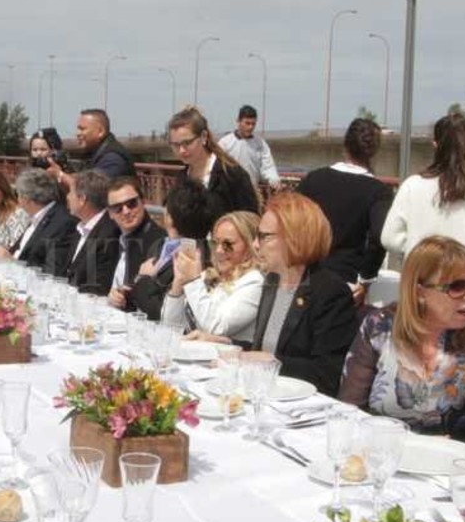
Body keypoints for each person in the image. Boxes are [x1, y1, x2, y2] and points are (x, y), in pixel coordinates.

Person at [340, 236, 465, 463]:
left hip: (456, 470)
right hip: (384, 459)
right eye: (457, 287)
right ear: (419, 291)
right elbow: (350, 411)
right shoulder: (380, 326)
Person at [245, 192, 357, 395]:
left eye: (264, 236)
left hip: (302, 407)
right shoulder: (273, 281)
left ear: (294, 238)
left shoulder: (329, 292)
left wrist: (274, 363)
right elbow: (264, 351)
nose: (255, 244)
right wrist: (227, 345)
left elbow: (327, 373)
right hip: (266, 394)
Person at [381, 112, 465, 263]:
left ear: (435, 145)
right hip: (460, 278)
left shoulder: (412, 185)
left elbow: (389, 238)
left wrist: (416, 248)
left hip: (420, 277)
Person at [297, 117, 393, 289]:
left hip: (306, 274)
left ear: (345, 144)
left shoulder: (313, 179)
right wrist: (366, 279)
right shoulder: (378, 191)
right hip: (346, 279)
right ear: (374, 150)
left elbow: (288, 218)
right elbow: (379, 238)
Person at [162, 211, 264, 345]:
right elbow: (171, 327)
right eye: (215, 243)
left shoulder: (254, 281)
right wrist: (178, 284)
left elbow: (216, 327)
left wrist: (193, 281)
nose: (219, 251)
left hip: (232, 363)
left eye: (228, 244)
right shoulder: (211, 276)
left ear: (250, 245)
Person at [133, 179, 216, 321]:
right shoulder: (159, 244)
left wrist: (142, 279)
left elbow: (161, 309)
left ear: (169, 217)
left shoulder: (193, 259)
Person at [167, 107, 259, 218]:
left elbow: (250, 219)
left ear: (203, 137)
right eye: (175, 145)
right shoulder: (181, 178)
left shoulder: (231, 175)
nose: (181, 150)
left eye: (187, 143)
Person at [105, 177, 166, 312]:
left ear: (143, 202)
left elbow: (155, 304)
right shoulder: (111, 238)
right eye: (118, 208)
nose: (126, 211)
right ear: (110, 214)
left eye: (131, 203)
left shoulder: (159, 242)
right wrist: (112, 296)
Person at [7, 168, 78, 276]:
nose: (17, 200)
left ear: (26, 198)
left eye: (18, 195)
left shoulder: (62, 223)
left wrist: (12, 262)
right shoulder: (38, 216)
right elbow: (19, 251)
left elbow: (52, 272)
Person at [63, 170, 119, 295]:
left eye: (70, 192)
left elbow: (98, 287)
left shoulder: (109, 234)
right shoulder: (80, 227)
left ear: (82, 199)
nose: (67, 197)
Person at [217, 105, 280, 191]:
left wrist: (274, 180)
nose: (250, 127)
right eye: (247, 123)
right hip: (230, 191)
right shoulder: (225, 143)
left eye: (253, 124)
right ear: (238, 121)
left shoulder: (260, 143)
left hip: (253, 190)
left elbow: (268, 166)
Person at [70, 109, 135, 184]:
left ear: (100, 131)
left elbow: (94, 188)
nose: (77, 133)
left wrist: (60, 175)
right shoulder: (95, 151)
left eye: (82, 129)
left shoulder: (112, 159)